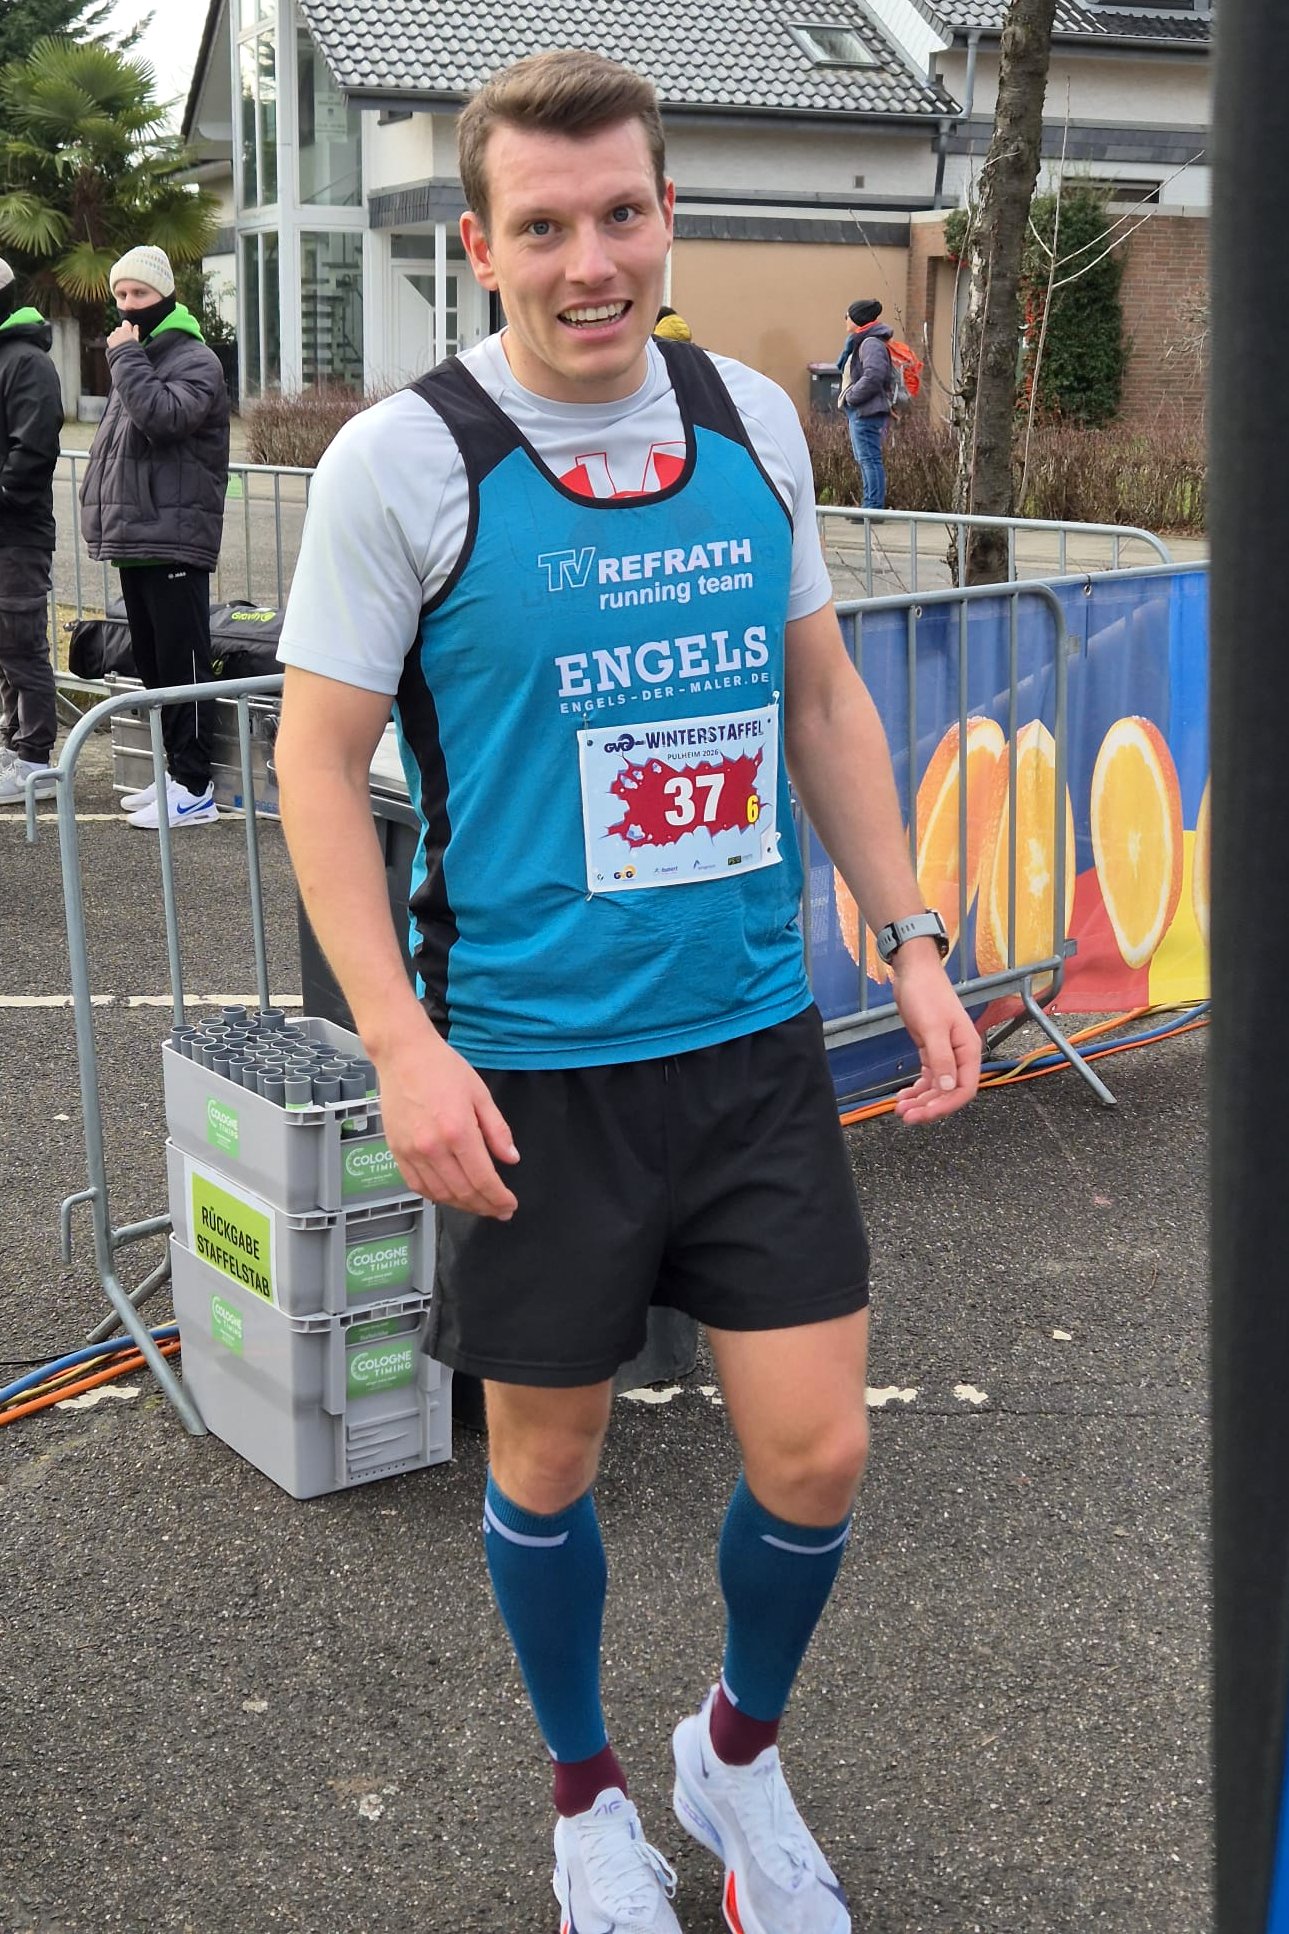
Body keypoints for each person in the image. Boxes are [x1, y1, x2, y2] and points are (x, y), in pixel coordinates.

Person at [274, 49, 980, 1934]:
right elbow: (314, 763)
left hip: (748, 1039)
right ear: (477, 243)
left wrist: (909, 938)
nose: (586, 262)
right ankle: (584, 1790)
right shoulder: (403, 460)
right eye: (542, 227)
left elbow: (819, 699)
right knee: (549, 1453)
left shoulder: (747, 419)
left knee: (816, 1451)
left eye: (618, 216)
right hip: (533, 1064)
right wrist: (400, 1044)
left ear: (666, 214)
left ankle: (729, 1755)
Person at [79, 244, 229, 829]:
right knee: (154, 666)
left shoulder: (194, 358)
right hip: (137, 538)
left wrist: (124, 359)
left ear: (165, 295)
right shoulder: (136, 358)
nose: (127, 304)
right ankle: (174, 773)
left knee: (183, 666)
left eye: (139, 293)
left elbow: (164, 419)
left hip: (175, 535)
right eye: (120, 294)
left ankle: (195, 786)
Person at [0, 256, 63, 806]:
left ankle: (35, 760)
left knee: (22, 644)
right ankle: (13, 747)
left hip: (17, 533)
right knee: (6, 649)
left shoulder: (26, 361)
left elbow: (34, 450)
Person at [836, 298, 895, 510]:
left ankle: (872, 508)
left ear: (857, 318)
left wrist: (852, 396)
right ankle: (869, 506)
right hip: (862, 411)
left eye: (848, 315)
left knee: (870, 460)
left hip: (866, 411)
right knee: (866, 460)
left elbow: (874, 375)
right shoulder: (863, 341)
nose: (845, 319)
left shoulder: (870, 343)